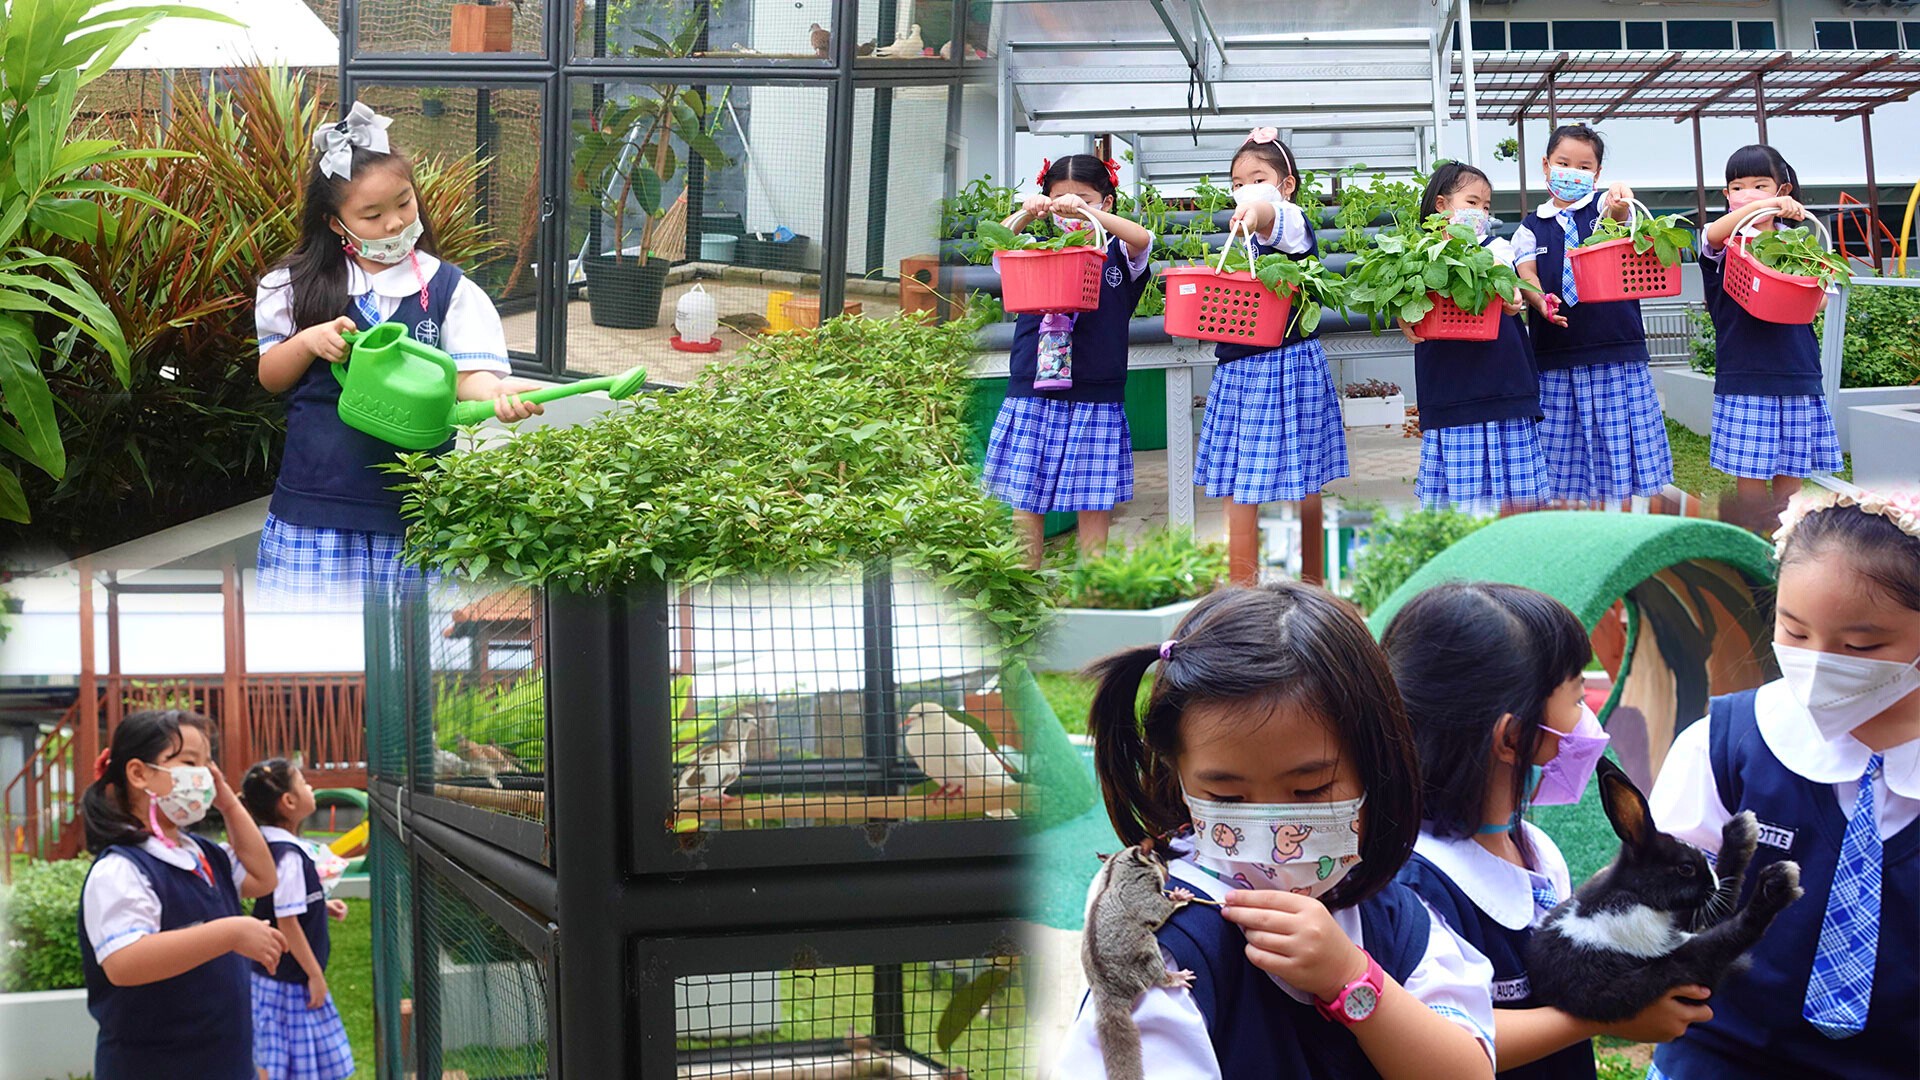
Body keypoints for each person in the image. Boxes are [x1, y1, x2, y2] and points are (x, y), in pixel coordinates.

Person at [1054, 582, 1497, 1078]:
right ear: (1178, 775)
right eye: (1226, 797)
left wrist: (1351, 979)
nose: (1271, 828)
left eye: (1310, 789)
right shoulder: (1171, 950)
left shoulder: (1392, 916)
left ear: (1376, 767)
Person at [1384, 581, 1713, 1078]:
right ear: (1513, 738)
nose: (1588, 720)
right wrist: (1609, 1013)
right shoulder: (1416, 886)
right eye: (1578, 698)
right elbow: (1444, 1040)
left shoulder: (1535, 849)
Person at [1648, 487, 1920, 1079]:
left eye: (1860, 646)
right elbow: (1651, 899)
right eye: (1795, 633)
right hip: (1721, 1054)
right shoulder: (1727, 746)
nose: (1818, 663)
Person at [255, 101, 543, 603]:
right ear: (334, 223)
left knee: (404, 649)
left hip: (413, 513)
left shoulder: (449, 289)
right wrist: (307, 342)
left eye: (404, 204)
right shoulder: (292, 286)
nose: (394, 223)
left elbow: (465, 378)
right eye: (372, 215)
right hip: (315, 509)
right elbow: (271, 376)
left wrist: (498, 393)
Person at [77, 710, 287, 1079]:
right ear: (139, 773)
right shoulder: (121, 869)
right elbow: (124, 962)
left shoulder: (202, 853)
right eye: (190, 763)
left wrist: (228, 803)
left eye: (207, 764)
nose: (203, 775)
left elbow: (263, 876)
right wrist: (230, 932)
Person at [981, 154, 1154, 566]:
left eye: (1085, 199)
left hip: (1096, 390)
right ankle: (1026, 577)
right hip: (1033, 387)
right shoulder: (1032, 248)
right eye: (1061, 200)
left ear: (1106, 202)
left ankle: (1094, 582)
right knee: (1027, 496)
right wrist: (1028, 212)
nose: (1072, 209)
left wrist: (1089, 215)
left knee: (1094, 500)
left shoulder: (1117, 252)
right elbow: (998, 244)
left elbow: (1142, 238)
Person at [1194, 127, 1349, 584]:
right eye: (1237, 183)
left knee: (1304, 479)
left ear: (1287, 185)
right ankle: (1242, 586)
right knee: (1239, 483)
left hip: (1288, 363)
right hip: (1238, 367)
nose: (1246, 190)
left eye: (1257, 179)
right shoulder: (1242, 241)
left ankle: (1313, 582)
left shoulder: (1292, 222)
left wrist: (1256, 209)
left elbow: (1269, 215)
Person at [1512, 124, 1673, 507]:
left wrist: (1619, 199)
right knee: (1562, 459)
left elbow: (1617, 213)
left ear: (1597, 174)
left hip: (1615, 351)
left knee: (1618, 456)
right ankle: (1575, 527)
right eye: (1563, 163)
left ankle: (1620, 525)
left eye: (1584, 167)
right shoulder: (1530, 228)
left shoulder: (1602, 209)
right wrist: (1540, 302)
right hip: (1556, 357)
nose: (1572, 172)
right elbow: (1527, 274)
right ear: (1546, 166)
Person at [1694, 145, 1840, 533]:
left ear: (1783, 189)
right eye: (1738, 187)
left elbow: (1821, 301)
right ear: (1726, 195)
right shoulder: (1724, 243)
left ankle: (1786, 542)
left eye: (1760, 185)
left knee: (1791, 480)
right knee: (1751, 478)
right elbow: (1713, 233)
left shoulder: (1799, 244)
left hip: (1797, 371)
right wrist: (1765, 206)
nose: (1748, 194)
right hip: (1745, 374)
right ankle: (1754, 543)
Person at [1400, 163, 1548, 513]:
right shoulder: (1418, 255)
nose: (1480, 212)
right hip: (1450, 389)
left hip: (1503, 383)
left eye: (1486, 206)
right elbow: (1405, 303)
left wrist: (1512, 297)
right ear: (1441, 205)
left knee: (1515, 500)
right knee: (1458, 504)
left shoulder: (1497, 249)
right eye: (1472, 202)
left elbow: (1509, 285)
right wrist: (1403, 316)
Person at [241, 758, 354, 1080]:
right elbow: (287, 922)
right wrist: (315, 975)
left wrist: (321, 906)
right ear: (289, 802)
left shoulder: (274, 847)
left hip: (278, 978)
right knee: (284, 1063)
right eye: (303, 782)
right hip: (290, 983)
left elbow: (282, 904)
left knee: (278, 1059)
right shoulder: (289, 857)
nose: (310, 786)